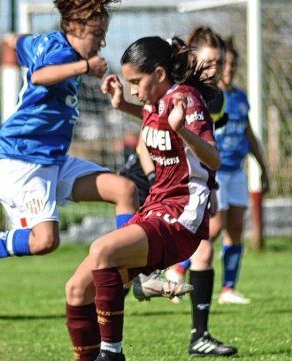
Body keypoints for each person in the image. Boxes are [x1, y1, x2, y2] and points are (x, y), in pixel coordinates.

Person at [0, 0, 145, 289]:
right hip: (24, 161)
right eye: (97, 34)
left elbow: (13, 43)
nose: (102, 41)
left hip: (52, 160)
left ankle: (129, 275)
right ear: (76, 28)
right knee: (45, 241)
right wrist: (84, 66)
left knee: (124, 190)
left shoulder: (44, 43)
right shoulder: (60, 53)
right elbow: (40, 76)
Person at [64, 36, 221, 361]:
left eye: (136, 81)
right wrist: (122, 105)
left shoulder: (187, 100)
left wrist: (184, 132)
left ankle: (112, 354)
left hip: (181, 218)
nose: (134, 88)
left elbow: (214, 159)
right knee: (78, 290)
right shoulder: (157, 101)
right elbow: (154, 117)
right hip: (154, 210)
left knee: (102, 250)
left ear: (160, 75)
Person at [132, 27, 239, 357]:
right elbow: (143, 144)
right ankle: (98, 324)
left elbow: (205, 153)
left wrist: (209, 187)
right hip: (159, 186)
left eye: (220, 61)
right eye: (210, 59)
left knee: (203, 253)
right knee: (122, 265)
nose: (216, 67)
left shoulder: (212, 98)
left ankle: (199, 335)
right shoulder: (177, 95)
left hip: (188, 186)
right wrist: (159, 184)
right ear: (193, 56)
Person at [169, 34, 270, 306]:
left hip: (236, 171)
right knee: (212, 229)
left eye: (229, 64)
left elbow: (249, 134)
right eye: (221, 64)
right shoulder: (206, 97)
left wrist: (262, 167)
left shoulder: (238, 98)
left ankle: (228, 288)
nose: (226, 69)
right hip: (216, 170)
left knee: (235, 228)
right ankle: (177, 270)